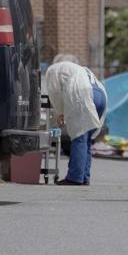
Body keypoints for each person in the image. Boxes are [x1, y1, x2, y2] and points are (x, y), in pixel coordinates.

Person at [46, 54, 107, 185]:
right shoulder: (80, 69)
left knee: (79, 137)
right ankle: (84, 176)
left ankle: (75, 177)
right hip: (100, 94)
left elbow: (54, 92)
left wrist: (60, 112)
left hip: (83, 93)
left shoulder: (53, 69)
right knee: (87, 139)